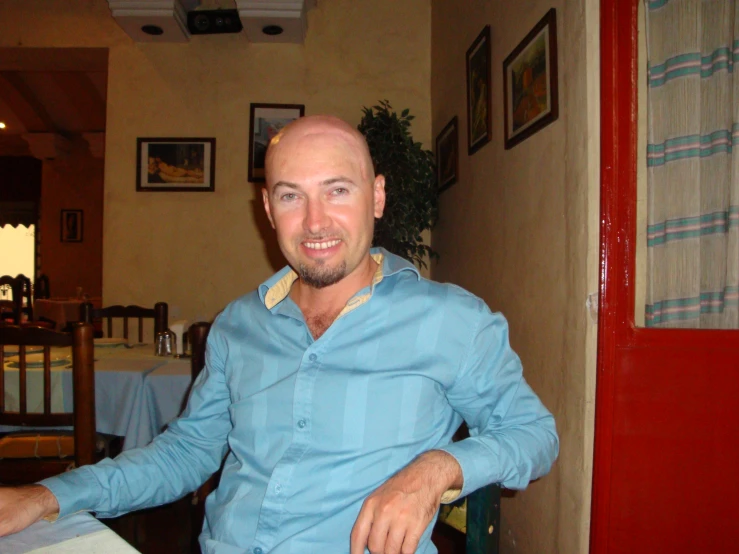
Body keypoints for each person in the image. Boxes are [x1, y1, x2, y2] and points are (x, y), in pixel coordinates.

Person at [0, 115, 559, 554]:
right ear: (268, 208)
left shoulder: (452, 320)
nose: (315, 222)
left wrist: (439, 467)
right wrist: (48, 494)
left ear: (378, 197)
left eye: (337, 190)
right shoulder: (237, 325)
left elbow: (534, 435)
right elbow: (186, 454)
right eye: (292, 195)